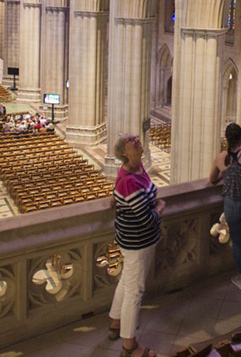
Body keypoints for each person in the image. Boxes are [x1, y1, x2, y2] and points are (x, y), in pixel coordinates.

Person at [107, 134, 164, 357]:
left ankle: (115, 322)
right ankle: (129, 345)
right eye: (133, 143)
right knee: (135, 291)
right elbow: (147, 217)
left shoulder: (138, 169)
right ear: (124, 153)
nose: (138, 142)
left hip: (139, 240)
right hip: (136, 242)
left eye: (137, 140)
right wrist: (160, 207)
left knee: (126, 281)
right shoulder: (128, 180)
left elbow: (145, 191)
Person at [209, 123, 241, 290]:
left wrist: (225, 175)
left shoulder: (221, 158)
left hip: (231, 204)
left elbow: (212, 179)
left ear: (226, 138)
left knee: (237, 242)